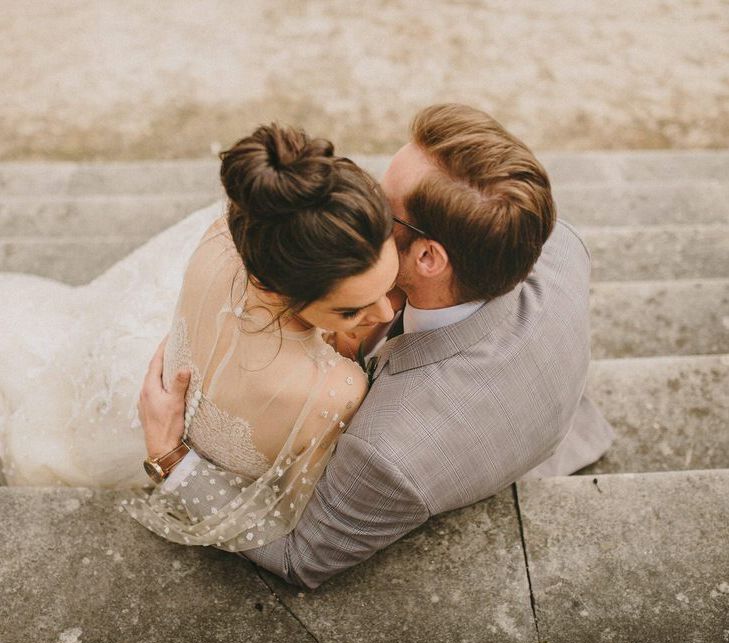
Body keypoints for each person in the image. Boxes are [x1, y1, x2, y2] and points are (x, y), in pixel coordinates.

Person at [139, 103, 614, 589]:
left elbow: (301, 558)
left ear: (429, 256)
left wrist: (171, 459)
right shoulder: (555, 241)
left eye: (384, 208)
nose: (365, 206)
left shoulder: (390, 452)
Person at [0, 116, 398, 548]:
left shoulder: (230, 231)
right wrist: (171, 459)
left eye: (389, 284)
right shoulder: (333, 390)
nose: (385, 311)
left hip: (117, 402)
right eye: (352, 309)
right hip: (144, 448)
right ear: (275, 286)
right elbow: (283, 526)